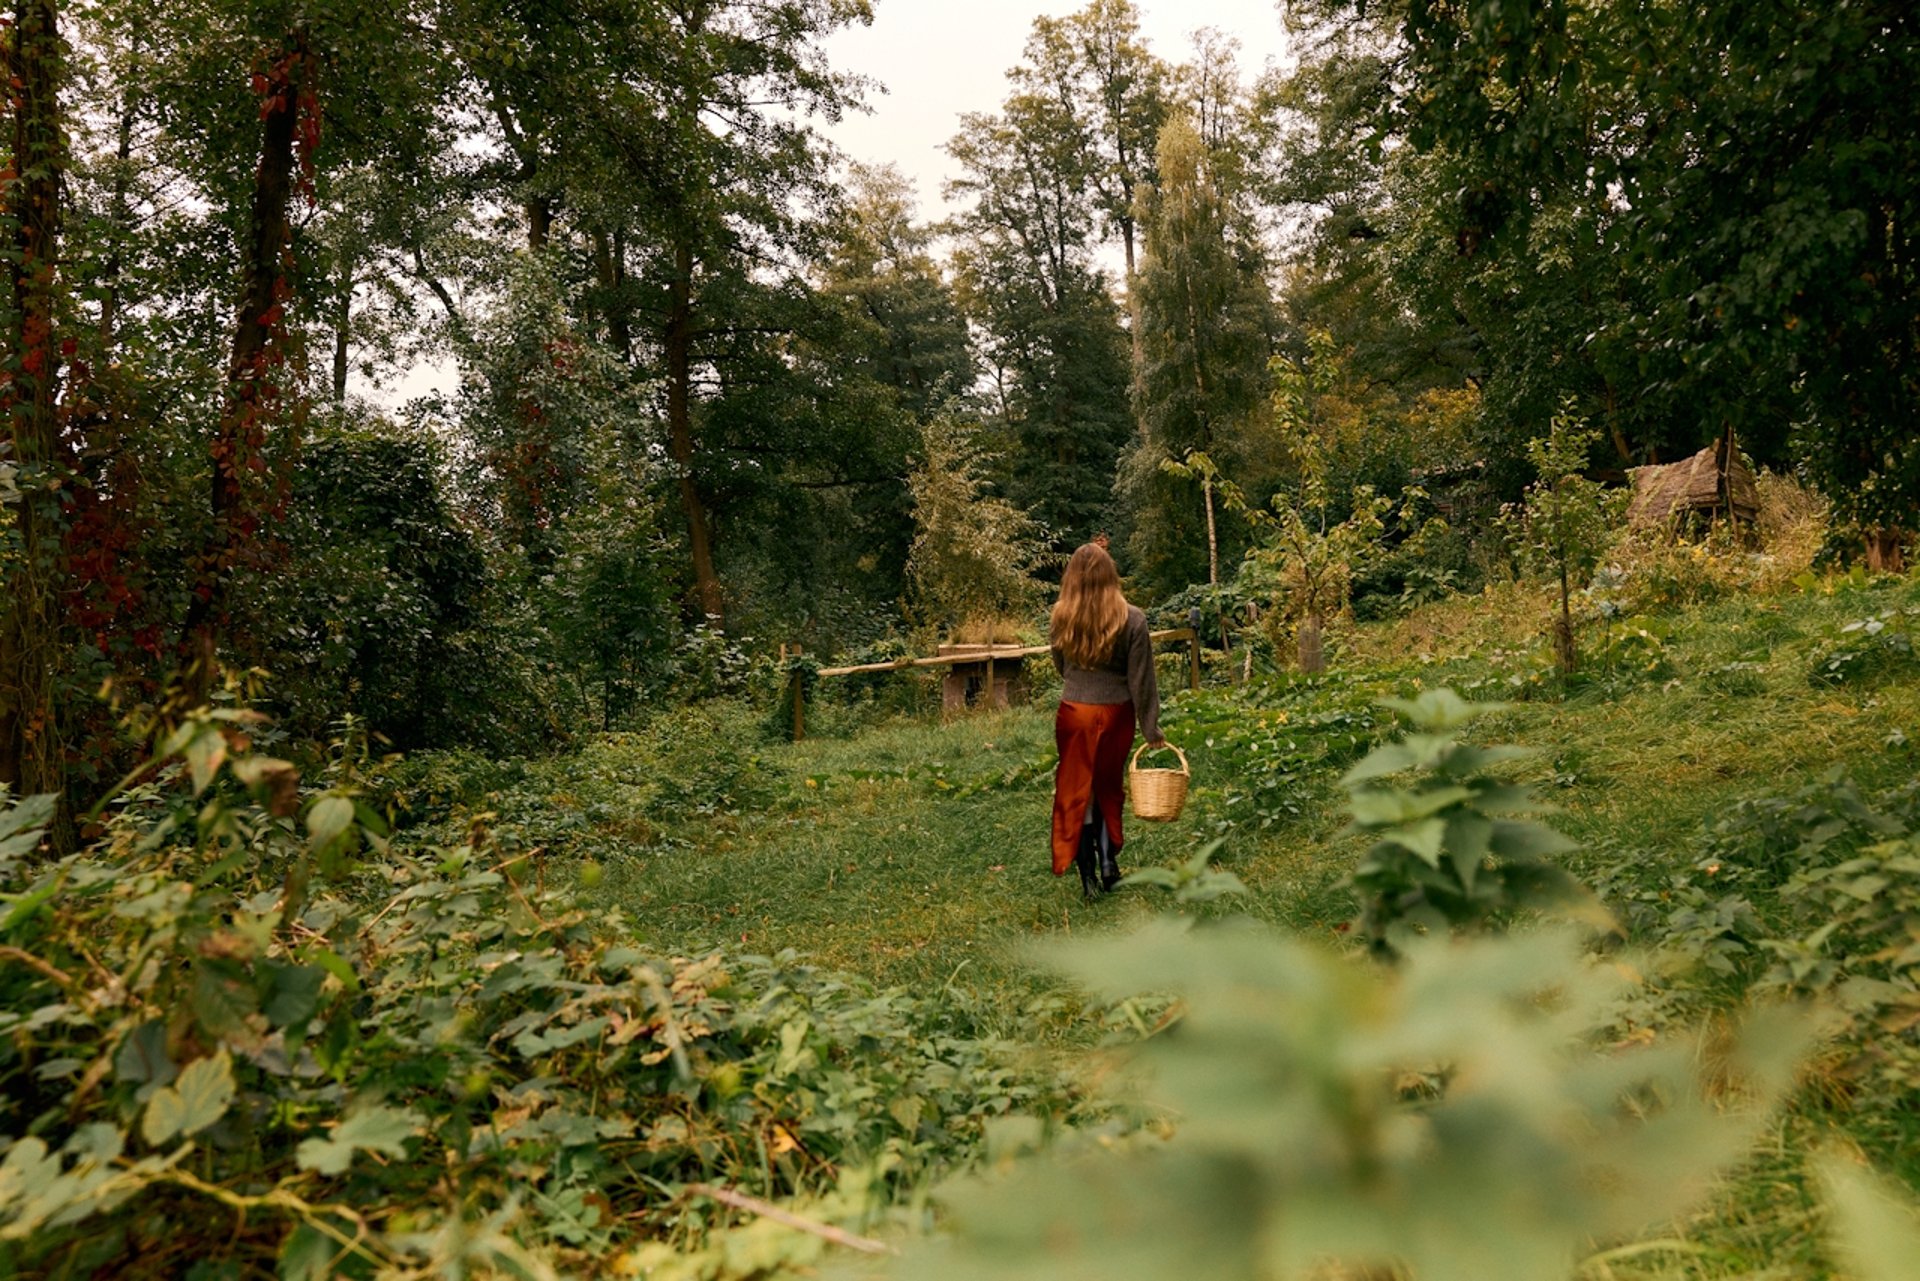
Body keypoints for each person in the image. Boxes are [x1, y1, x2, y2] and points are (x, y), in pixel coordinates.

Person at [1048, 541, 1166, 899]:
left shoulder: (1061, 616)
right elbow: (1141, 680)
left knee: (1077, 791)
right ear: (1111, 575)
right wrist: (1151, 728)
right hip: (1116, 714)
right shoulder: (1133, 618)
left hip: (1074, 712)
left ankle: (1087, 878)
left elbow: (1060, 666)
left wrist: (1079, 685)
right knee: (1107, 788)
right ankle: (1108, 863)